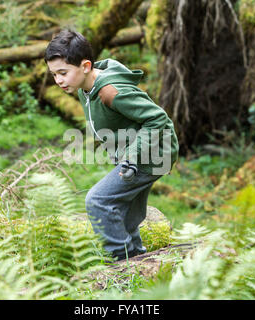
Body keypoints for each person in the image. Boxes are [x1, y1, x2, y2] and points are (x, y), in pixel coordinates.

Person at [44, 29, 179, 261]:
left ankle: (121, 262)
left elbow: (158, 119)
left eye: (63, 73)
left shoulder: (110, 91)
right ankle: (139, 261)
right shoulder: (84, 88)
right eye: (54, 74)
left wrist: (131, 158)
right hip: (140, 154)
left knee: (98, 200)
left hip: (153, 154)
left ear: (85, 66)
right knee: (125, 214)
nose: (58, 81)